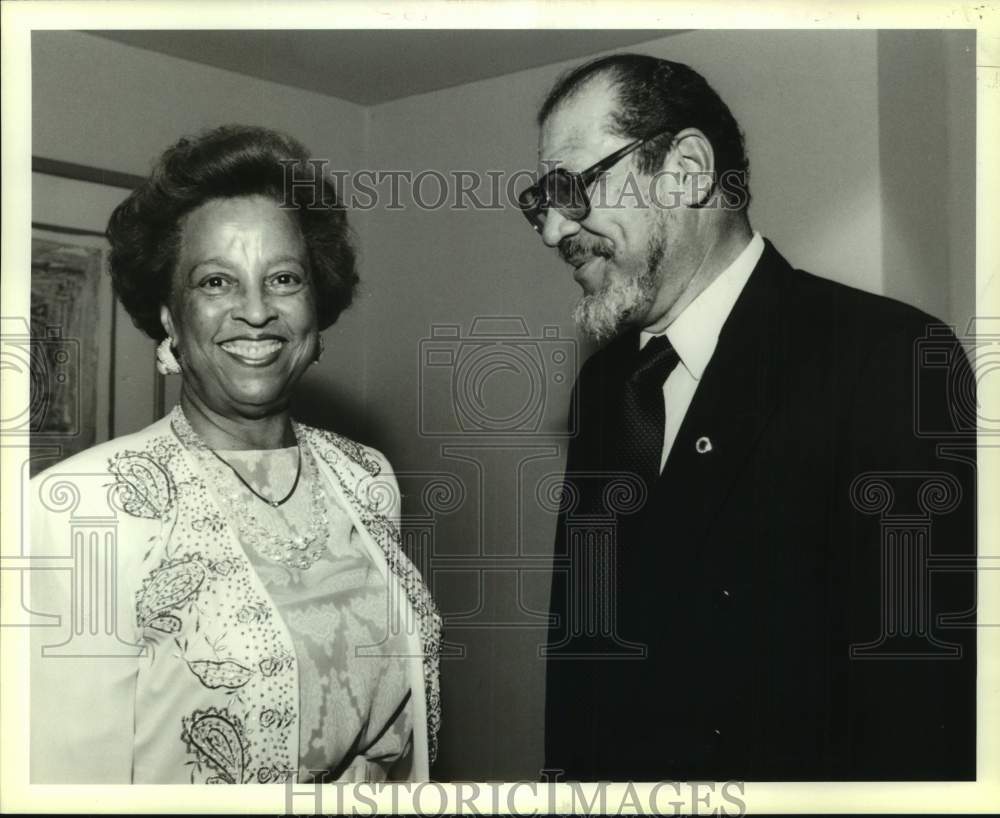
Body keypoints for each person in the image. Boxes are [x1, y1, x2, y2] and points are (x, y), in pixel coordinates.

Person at [519, 54, 976, 781]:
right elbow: (586, 647)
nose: (551, 231)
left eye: (571, 189)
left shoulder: (889, 358)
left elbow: (922, 703)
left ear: (689, 169)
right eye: (539, 202)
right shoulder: (606, 387)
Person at [28, 125, 440, 784]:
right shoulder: (82, 506)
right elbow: (68, 783)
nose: (256, 310)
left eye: (283, 277)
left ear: (315, 304)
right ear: (169, 316)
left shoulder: (366, 477)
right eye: (217, 281)